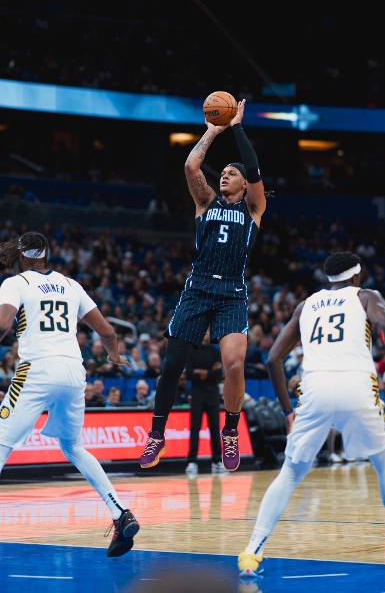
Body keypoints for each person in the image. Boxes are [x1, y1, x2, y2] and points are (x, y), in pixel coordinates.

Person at [238, 252, 385, 575]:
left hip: (314, 389)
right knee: (384, 462)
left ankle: (251, 551)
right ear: (356, 278)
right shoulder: (366, 296)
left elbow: (272, 359)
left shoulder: (306, 305)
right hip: (357, 385)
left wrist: (288, 411)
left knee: (290, 472)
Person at [139, 100, 266, 472]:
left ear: (245, 184)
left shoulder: (254, 208)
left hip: (231, 293)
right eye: (223, 171)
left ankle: (229, 431)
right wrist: (215, 128)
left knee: (234, 362)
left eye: (231, 172)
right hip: (197, 291)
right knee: (172, 365)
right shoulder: (206, 201)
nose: (224, 175)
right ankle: (157, 435)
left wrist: (238, 128)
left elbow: (255, 168)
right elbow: (192, 166)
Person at [0, 231, 139, 557]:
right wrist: (114, 356)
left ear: (22, 257)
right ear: (46, 255)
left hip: (37, 370)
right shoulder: (71, 284)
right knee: (73, 446)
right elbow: (107, 331)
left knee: (1, 440)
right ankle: (120, 513)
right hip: (74, 373)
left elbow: (3, 325)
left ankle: (120, 514)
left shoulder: (16, 282)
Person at [185, 332, 224, 475]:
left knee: (214, 428)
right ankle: (192, 462)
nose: (204, 335)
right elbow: (189, 373)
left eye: (206, 333)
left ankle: (217, 461)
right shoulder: (192, 352)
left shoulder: (215, 352)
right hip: (197, 395)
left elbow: (219, 374)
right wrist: (209, 372)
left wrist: (202, 373)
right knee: (194, 428)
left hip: (213, 394)